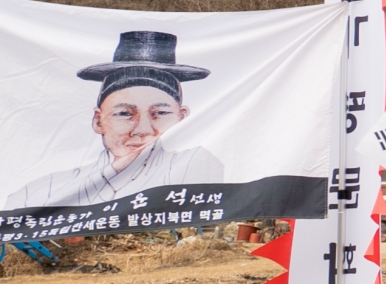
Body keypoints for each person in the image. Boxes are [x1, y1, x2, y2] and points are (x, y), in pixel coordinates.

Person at [13, 29, 226, 205]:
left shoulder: (197, 170)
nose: (143, 130)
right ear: (98, 121)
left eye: (160, 113)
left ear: (182, 118)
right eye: (124, 114)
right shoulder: (42, 192)